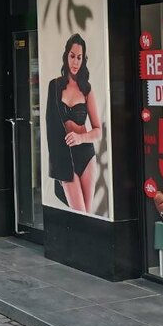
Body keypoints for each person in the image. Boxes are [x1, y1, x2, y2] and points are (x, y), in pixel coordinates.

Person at [45, 33, 102, 214]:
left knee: (87, 214)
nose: (75, 62)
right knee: (79, 212)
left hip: (86, 155)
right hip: (64, 155)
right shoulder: (54, 86)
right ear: (66, 56)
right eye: (72, 56)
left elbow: (98, 131)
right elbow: (50, 127)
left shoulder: (86, 89)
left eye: (79, 57)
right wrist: (55, 162)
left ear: (83, 60)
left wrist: (80, 138)